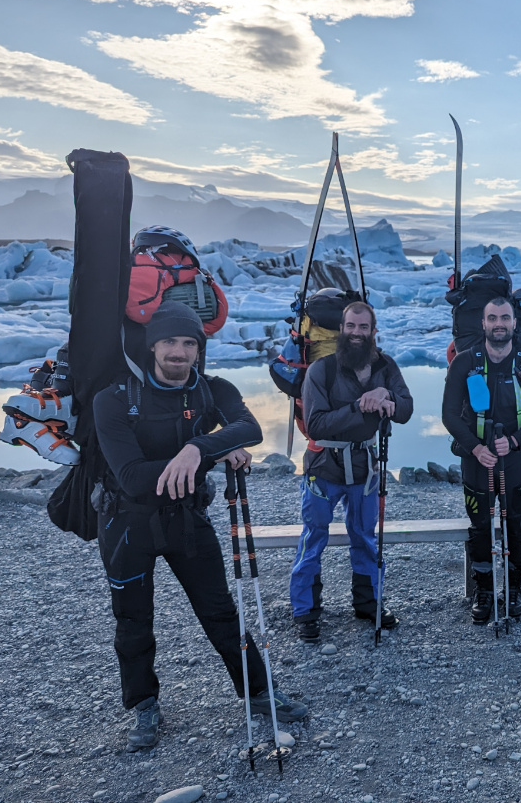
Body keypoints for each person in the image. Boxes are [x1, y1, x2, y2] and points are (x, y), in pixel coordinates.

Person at [92, 301, 307, 752]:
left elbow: (249, 428)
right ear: (153, 345)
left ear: (198, 349)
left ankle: (259, 692)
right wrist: (206, 451)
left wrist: (198, 448)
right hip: (127, 523)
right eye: (170, 341)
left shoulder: (212, 390)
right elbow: (131, 476)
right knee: (133, 620)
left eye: (189, 343)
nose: (179, 352)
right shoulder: (114, 399)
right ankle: (144, 705)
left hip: (187, 518)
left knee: (221, 612)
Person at [290, 301, 413, 643]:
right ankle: (305, 612)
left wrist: (386, 393)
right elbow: (315, 426)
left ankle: (368, 603)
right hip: (323, 468)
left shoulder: (386, 367)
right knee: (314, 538)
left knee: (364, 536)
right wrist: (360, 407)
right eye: (351, 327)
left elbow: (406, 409)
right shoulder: (321, 370)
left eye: (363, 328)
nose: (356, 333)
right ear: (341, 330)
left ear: (374, 332)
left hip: (364, 468)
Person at [442, 297, 521, 623]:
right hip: (476, 460)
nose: (499, 323)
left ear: (515, 323)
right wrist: (475, 448)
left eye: (505, 317)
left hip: (515, 461)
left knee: (515, 525)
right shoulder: (464, 363)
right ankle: (485, 590)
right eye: (492, 318)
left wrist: (514, 441)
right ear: (484, 324)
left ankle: (514, 588)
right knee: (480, 528)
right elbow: (449, 415)